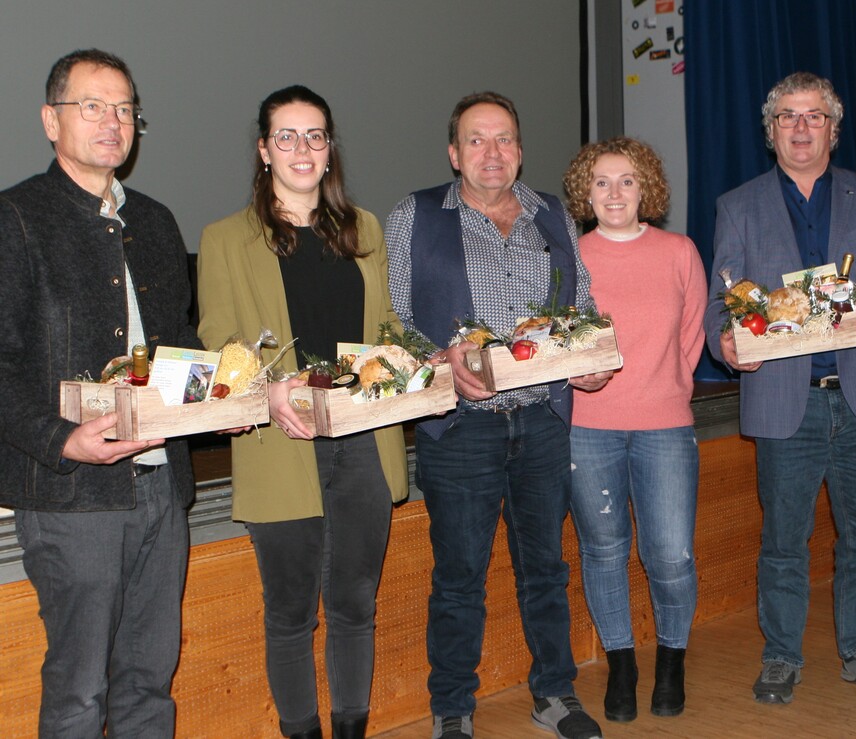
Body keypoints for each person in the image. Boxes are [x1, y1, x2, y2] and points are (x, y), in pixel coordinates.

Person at [385, 91, 610, 739]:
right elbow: (394, 320)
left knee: (546, 566)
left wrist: (589, 358)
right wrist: (439, 361)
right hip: (459, 427)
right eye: (477, 140)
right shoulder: (417, 215)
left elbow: (581, 308)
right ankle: (452, 707)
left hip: (541, 420)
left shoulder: (552, 215)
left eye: (505, 138)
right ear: (454, 152)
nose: (493, 152)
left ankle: (555, 694)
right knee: (459, 574)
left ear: (520, 148)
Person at [703, 72, 856, 705]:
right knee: (783, 540)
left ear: (834, 127)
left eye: (814, 116)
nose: (801, 128)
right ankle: (781, 655)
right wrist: (726, 340)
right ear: (770, 132)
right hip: (782, 398)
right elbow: (726, 299)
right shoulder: (738, 205)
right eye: (788, 117)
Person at [198, 85, 409, 739]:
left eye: (314, 135)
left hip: (363, 439)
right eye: (286, 136)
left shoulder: (364, 228)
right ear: (264, 150)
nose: (301, 148)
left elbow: (389, 325)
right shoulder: (226, 237)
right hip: (281, 442)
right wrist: (270, 390)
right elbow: (222, 340)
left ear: (329, 148)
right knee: (291, 613)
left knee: (354, 606)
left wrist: (408, 359)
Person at [0, 49, 197, 736]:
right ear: (51, 121)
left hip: (159, 487)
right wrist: (63, 440)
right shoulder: (15, 219)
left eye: (125, 109)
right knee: (80, 690)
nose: (113, 122)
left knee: (149, 680)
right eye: (93, 105)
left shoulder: (157, 221)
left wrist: (222, 394)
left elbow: (179, 346)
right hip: (70, 495)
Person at [561, 137, 705, 722]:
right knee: (603, 551)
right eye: (601, 182)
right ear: (584, 192)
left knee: (670, 555)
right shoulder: (567, 257)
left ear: (648, 189)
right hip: (587, 427)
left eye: (627, 181)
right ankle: (622, 665)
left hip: (664, 425)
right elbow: (557, 338)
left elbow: (691, 337)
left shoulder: (679, 251)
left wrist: (662, 385)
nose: (614, 192)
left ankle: (671, 661)